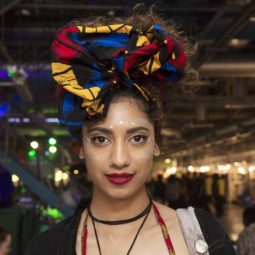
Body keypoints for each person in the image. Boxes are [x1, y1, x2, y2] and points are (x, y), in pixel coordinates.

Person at [25, 6, 236, 255]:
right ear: (81, 146)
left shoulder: (204, 236)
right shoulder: (46, 248)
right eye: (100, 138)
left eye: (137, 138)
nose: (119, 159)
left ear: (156, 141)